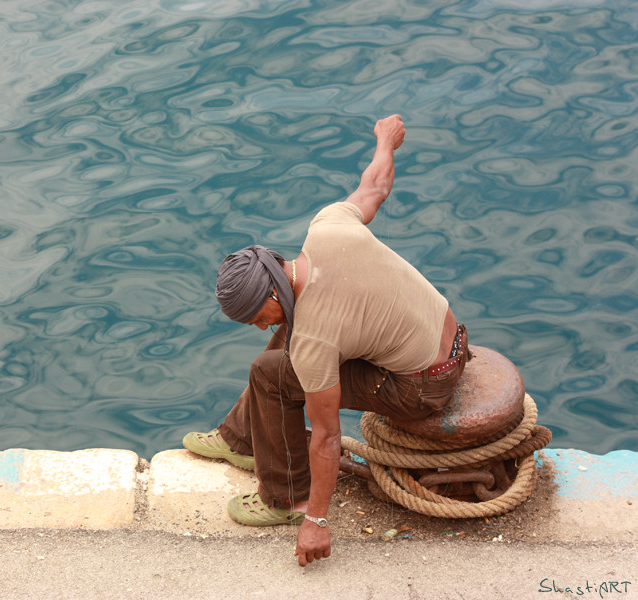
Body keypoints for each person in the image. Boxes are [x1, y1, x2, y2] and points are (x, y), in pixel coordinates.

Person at [183, 115, 472, 567]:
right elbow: (374, 186)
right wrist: (385, 142)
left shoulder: (315, 337)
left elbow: (327, 436)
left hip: (423, 386)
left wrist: (316, 521)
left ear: (272, 288)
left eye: (258, 316)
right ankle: (240, 438)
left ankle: (285, 498)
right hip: (451, 340)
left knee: (271, 374)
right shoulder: (327, 227)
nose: (260, 327)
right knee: (290, 333)